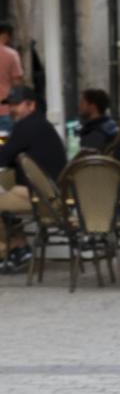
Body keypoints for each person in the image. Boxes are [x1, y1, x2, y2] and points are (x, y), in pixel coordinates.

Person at [0, 83, 67, 271]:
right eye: (10, 105)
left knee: (3, 200)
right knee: (6, 199)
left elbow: (3, 156)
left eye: (17, 104)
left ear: (31, 105)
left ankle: (7, 251)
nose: (12, 109)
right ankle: (19, 247)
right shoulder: (39, 125)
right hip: (49, 193)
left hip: (40, 196)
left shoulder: (26, 126)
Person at [77, 88, 118, 154]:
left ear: (92, 106)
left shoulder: (94, 133)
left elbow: (89, 161)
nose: (79, 106)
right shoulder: (111, 125)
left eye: (82, 103)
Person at [0, 21, 24, 126]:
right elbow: (17, 83)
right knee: (2, 141)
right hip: (4, 110)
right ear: (6, 35)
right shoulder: (11, 55)